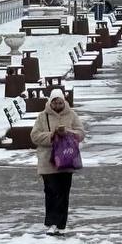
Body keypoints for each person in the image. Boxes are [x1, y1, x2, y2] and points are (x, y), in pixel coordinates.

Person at [30, 88, 86, 235]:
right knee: (51, 192)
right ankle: (51, 223)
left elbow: (81, 133)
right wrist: (52, 135)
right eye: (55, 102)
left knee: (63, 193)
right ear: (50, 102)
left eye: (60, 102)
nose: (57, 105)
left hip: (66, 160)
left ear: (64, 101)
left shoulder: (71, 114)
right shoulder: (42, 116)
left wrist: (68, 133)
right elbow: (34, 136)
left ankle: (61, 224)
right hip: (47, 161)